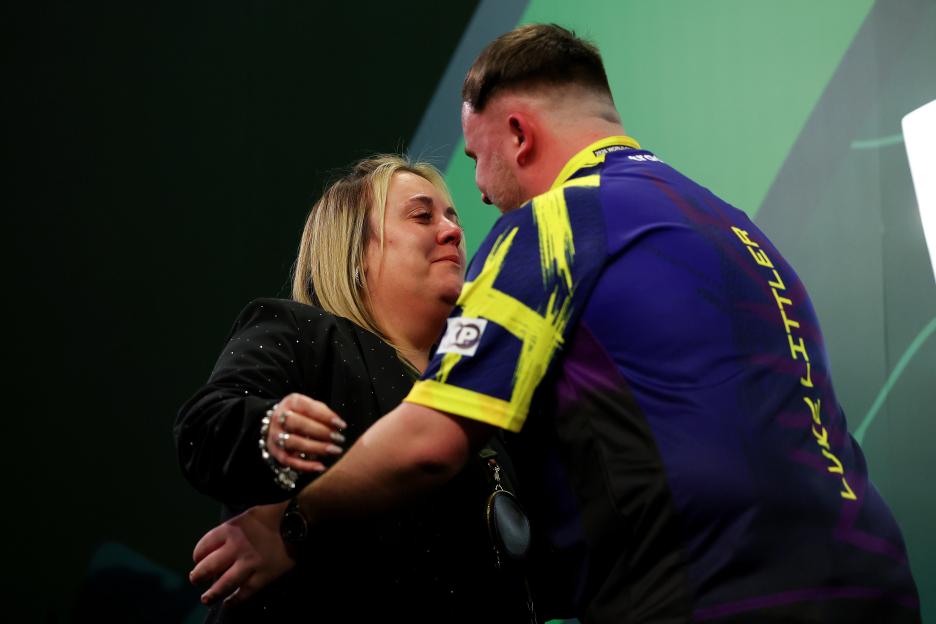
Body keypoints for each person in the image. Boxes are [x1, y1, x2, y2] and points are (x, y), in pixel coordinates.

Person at [192, 25, 921, 623]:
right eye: (424, 214)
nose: (477, 201)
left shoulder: (557, 226)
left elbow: (431, 447)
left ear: (517, 133)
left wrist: (293, 526)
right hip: (875, 585)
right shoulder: (741, 235)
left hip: (713, 594)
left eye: (475, 163)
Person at [175, 155, 532, 622]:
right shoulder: (304, 335)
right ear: (355, 253)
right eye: (422, 216)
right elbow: (203, 427)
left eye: (453, 218)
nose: (452, 232)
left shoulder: (479, 392)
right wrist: (269, 430)